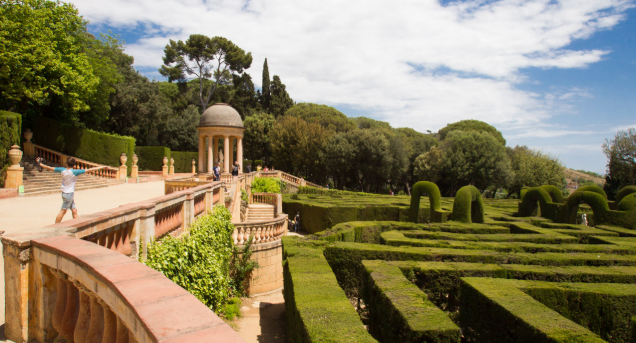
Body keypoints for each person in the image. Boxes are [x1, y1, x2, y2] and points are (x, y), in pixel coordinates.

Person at [37, 157, 108, 223]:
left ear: (66, 163)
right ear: (74, 165)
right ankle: (56, 227)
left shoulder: (62, 170)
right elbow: (90, 170)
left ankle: (77, 224)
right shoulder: (75, 172)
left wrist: (40, 164)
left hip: (65, 193)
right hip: (69, 194)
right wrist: (103, 167)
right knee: (63, 211)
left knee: (74, 210)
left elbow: (49, 168)